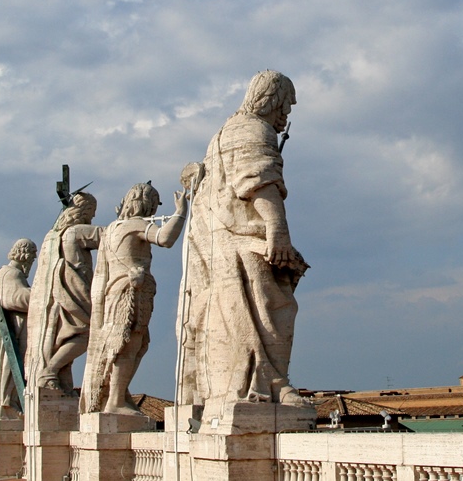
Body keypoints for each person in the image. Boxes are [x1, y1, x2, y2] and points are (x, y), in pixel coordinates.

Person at [179, 70, 309, 411]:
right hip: (244, 238)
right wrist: (278, 231)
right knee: (275, 307)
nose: (286, 115)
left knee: (235, 313)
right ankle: (269, 382)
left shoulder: (222, 133)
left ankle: (248, 384)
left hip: (217, 242)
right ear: (271, 99)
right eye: (285, 106)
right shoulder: (255, 129)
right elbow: (258, 181)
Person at [81, 183, 187, 415]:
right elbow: (165, 238)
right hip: (131, 292)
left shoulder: (111, 229)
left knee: (127, 343)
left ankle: (117, 395)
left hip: (114, 292)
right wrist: (181, 212)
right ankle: (115, 400)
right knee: (129, 343)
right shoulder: (136, 225)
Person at [26, 192, 103, 394]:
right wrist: (128, 219)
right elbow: (110, 235)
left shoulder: (51, 236)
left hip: (54, 296)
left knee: (61, 338)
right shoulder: (75, 232)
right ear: (84, 210)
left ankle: (53, 373)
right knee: (87, 333)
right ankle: (50, 371)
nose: (92, 218)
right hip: (73, 291)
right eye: (91, 213)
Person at [0, 238, 36, 420]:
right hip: (11, 331)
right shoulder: (11, 273)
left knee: (8, 367)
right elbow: (13, 298)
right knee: (7, 366)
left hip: (12, 329)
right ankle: (7, 404)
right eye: (32, 258)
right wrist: (40, 293)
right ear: (25, 255)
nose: (32, 263)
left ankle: (7, 404)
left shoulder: (9, 273)